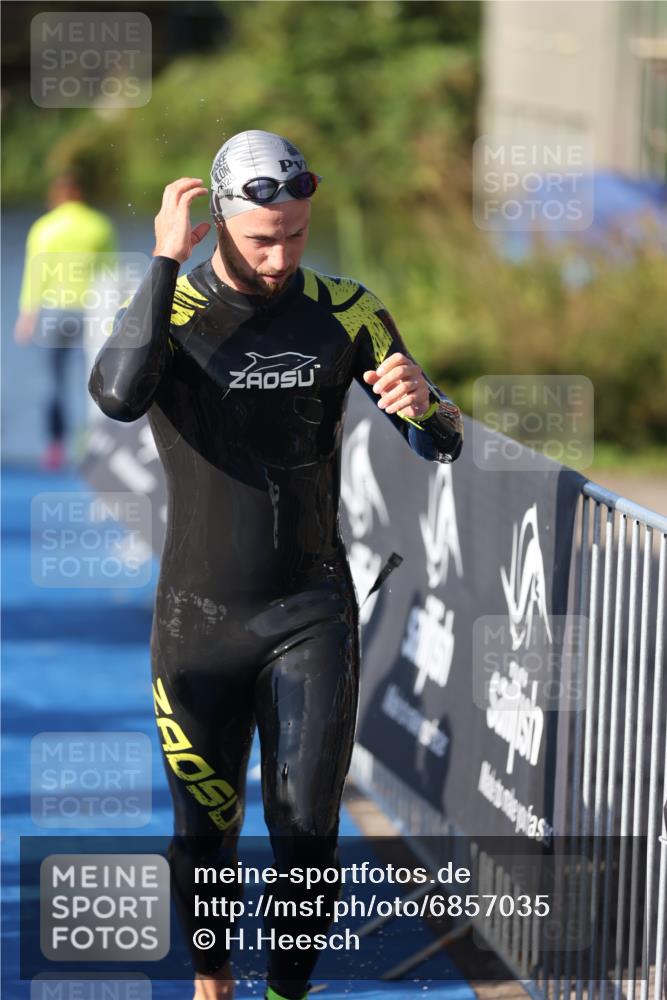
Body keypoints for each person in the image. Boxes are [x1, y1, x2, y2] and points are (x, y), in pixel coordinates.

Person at [88, 130, 463, 1000]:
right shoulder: (171, 311)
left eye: (294, 234)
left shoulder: (345, 310)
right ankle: (213, 980)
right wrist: (160, 260)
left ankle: (286, 996)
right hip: (197, 623)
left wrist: (427, 404)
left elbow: (436, 440)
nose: (280, 255)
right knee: (203, 839)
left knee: (305, 833)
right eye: (261, 237)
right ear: (219, 218)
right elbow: (117, 395)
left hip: (310, 611)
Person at [14, 171, 117, 469]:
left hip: (54, 313)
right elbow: (111, 272)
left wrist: (26, 315)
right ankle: (94, 442)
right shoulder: (99, 225)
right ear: (79, 195)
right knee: (96, 378)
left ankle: (56, 446)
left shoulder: (44, 228)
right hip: (93, 311)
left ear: (56, 197)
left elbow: (35, 275)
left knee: (53, 382)